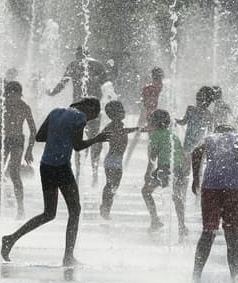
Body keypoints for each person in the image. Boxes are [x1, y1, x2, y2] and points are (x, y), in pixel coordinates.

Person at [1, 97, 109, 267]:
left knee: (48, 213)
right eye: (92, 117)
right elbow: (78, 146)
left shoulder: (55, 112)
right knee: (75, 210)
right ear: (89, 108)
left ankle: (11, 239)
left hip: (46, 166)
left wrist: (59, 135)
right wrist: (97, 139)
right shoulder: (79, 117)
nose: (88, 120)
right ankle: (68, 256)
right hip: (61, 167)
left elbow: (40, 137)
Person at [191, 124, 238, 283]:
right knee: (233, 236)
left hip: (210, 187)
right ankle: (236, 282)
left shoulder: (209, 138)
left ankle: (195, 277)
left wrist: (195, 178)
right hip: (233, 188)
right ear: (231, 131)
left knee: (208, 232)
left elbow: (196, 152)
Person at [47, 47, 110, 185]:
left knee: (77, 140)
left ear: (77, 54)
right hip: (94, 108)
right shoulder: (98, 65)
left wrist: (51, 92)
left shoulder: (74, 64)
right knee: (94, 138)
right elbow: (108, 85)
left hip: (79, 108)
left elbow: (62, 84)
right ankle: (94, 175)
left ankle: (78, 174)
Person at [0, 81, 36, 218]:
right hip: (2, 140)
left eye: (14, 96)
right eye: (8, 96)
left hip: (17, 141)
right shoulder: (2, 106)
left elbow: (33, 130)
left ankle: (21, 209)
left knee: (14, 174)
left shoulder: (24, 108)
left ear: (19, 95)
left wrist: (29, 150)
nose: (11, 99)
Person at [141, 110, 186, 235]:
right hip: (177, 169)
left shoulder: (155, 135)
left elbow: (152, 158)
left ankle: (155, 219)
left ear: (155, 122)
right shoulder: (174, 136)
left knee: (146, 191)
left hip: (164, 169)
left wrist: (147, 173)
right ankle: (182, 226)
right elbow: (182, 155)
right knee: (177, 197)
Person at [99, 101, 139, 219]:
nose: (124, 112)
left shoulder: (119, 125)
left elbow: (122, 131)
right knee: (111, 185)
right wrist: (137, 129)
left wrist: (137, 129)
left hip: (116, 161)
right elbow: (120, 132)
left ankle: (105, 207)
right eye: (121, 110)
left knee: (114, 185)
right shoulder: (113, 126)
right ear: (114, 114)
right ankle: (105, 208)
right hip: (112, 159)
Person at [124, 67, 163, 167]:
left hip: (148, 115)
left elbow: (143, 103)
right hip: (150, 115)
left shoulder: (150, 87)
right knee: (149, 140)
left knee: (140, 138)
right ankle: (150, 164)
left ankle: (127, 162)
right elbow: (145, 103)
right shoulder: (159, 87)